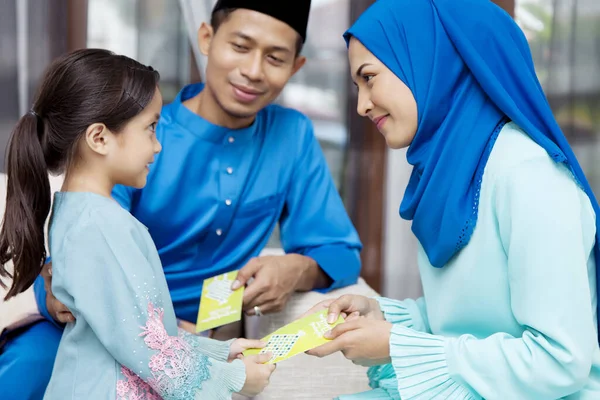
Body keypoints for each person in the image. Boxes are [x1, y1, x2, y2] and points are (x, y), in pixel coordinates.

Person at [0, 0, 368, 398]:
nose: (253, 71)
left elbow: (340, 253)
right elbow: (96, 247)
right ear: (207, 38)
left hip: (189, 339)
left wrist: (296, 269)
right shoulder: (138, 141)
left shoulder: (291, 136)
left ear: (296, 67)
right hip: (103, 319)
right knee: (29, 369)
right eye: (241, 47)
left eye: (275, 57)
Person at [305, 0, 600, 398]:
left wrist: (395, 345)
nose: (361, 104)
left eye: (369, 78)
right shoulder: (450, 173)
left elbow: (560, 362)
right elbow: (471, 319)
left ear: (430, 60)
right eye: (356, 86)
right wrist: (384, 316)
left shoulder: (528, 175)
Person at [0, 48, 275, 399]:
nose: (158, 146)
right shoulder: (99, 226)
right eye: (150, 128)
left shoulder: (80, 214)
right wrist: (232, 379)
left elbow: (144, 331)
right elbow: (145, 347)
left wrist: (222, 352)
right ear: (99, 138)